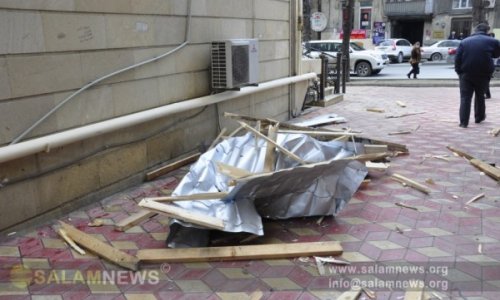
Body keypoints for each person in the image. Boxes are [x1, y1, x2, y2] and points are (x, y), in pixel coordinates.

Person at [455, 23, 500, 128]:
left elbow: (458, 58)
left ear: (475, 30)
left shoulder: (464, 41)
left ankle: (463, 122)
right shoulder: (493, 41)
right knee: (480, 96)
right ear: (487, 31)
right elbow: (496, 54)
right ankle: (479, 117)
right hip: (484, 74)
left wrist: (459, 72)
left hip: (466, 73)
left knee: (465, 98)